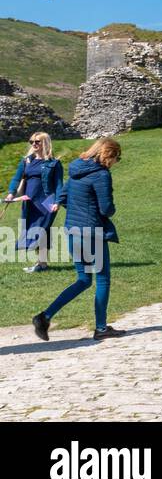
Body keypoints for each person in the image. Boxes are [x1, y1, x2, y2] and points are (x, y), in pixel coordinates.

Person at [32, 138, 124, 341]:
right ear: (108, 154)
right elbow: (106, 209)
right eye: (117, 157)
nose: (116, 161)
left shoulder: (75, 170)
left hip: (73, 231)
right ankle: (101, 328)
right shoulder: (101, 175)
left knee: (83, 279)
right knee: (102, 279)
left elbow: (62, 198)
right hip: (92, 233)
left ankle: (44, 317)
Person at [5, 132, 64, 273]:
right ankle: (42, 264)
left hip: (47, 202)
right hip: (29, 202)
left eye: (37, 141)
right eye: (32, 141)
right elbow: (16, 179)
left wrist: (58, 201)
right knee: (42, 231)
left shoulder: (54, 163)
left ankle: (39, 262)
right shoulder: (26, 161)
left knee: (39, 230)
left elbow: (59, 184)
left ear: (45, 143)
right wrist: (11, 193)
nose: (34, 144)